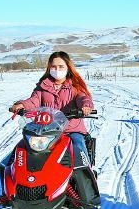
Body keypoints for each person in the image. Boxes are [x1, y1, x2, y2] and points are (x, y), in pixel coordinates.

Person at [10, 51, 97, 200]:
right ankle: (15, 190)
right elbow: (33, 101)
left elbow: (84, 98)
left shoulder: (75, 87)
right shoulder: (43, 86)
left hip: (71, 130)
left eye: (61, 66)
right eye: (54, 66)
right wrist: (21, 105)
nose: (57, 70)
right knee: (21, 150)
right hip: (47, 130)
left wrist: (86, 106)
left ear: (68, 67)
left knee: (78, 148)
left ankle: (87, 193)